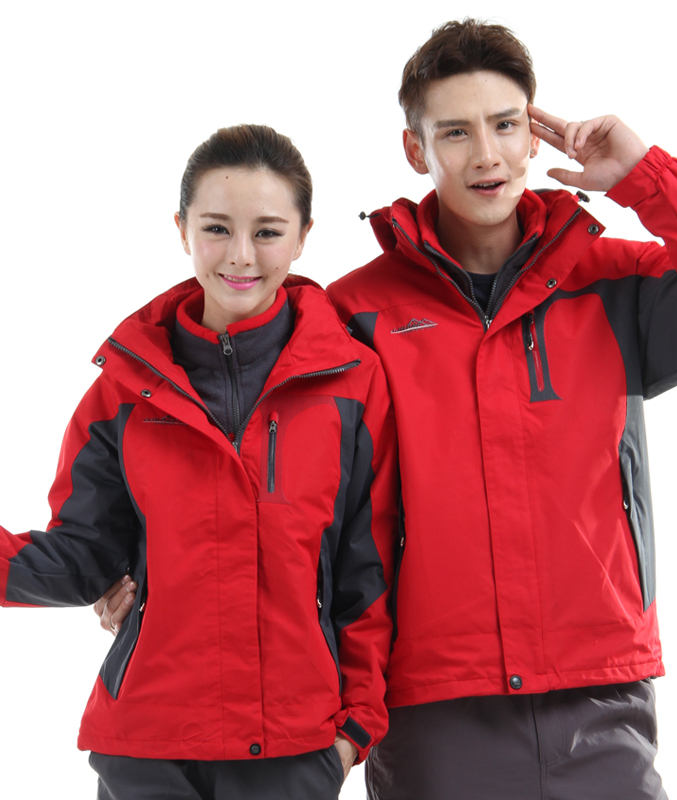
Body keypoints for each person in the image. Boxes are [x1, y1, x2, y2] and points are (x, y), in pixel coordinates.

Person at [99, 19, 677, 800]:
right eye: (455, 133)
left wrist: (644, 175)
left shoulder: (609, 285)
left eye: (505, 125)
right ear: (416, 150)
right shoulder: (356, 314)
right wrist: (129, 554)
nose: (486, 155)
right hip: (432, 703)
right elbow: (249, 452)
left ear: (534, 136)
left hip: (598, 686)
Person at [0, 124, 397, 800]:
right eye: (216, 228)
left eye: (268, 231)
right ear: (182, 229)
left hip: (291, 750)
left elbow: (370, 567)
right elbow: (85, 556)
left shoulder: (352, 384)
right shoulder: (124, 388)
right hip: (146, 746)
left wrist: (354, 730)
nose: (240, 255)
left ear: (303, 236)